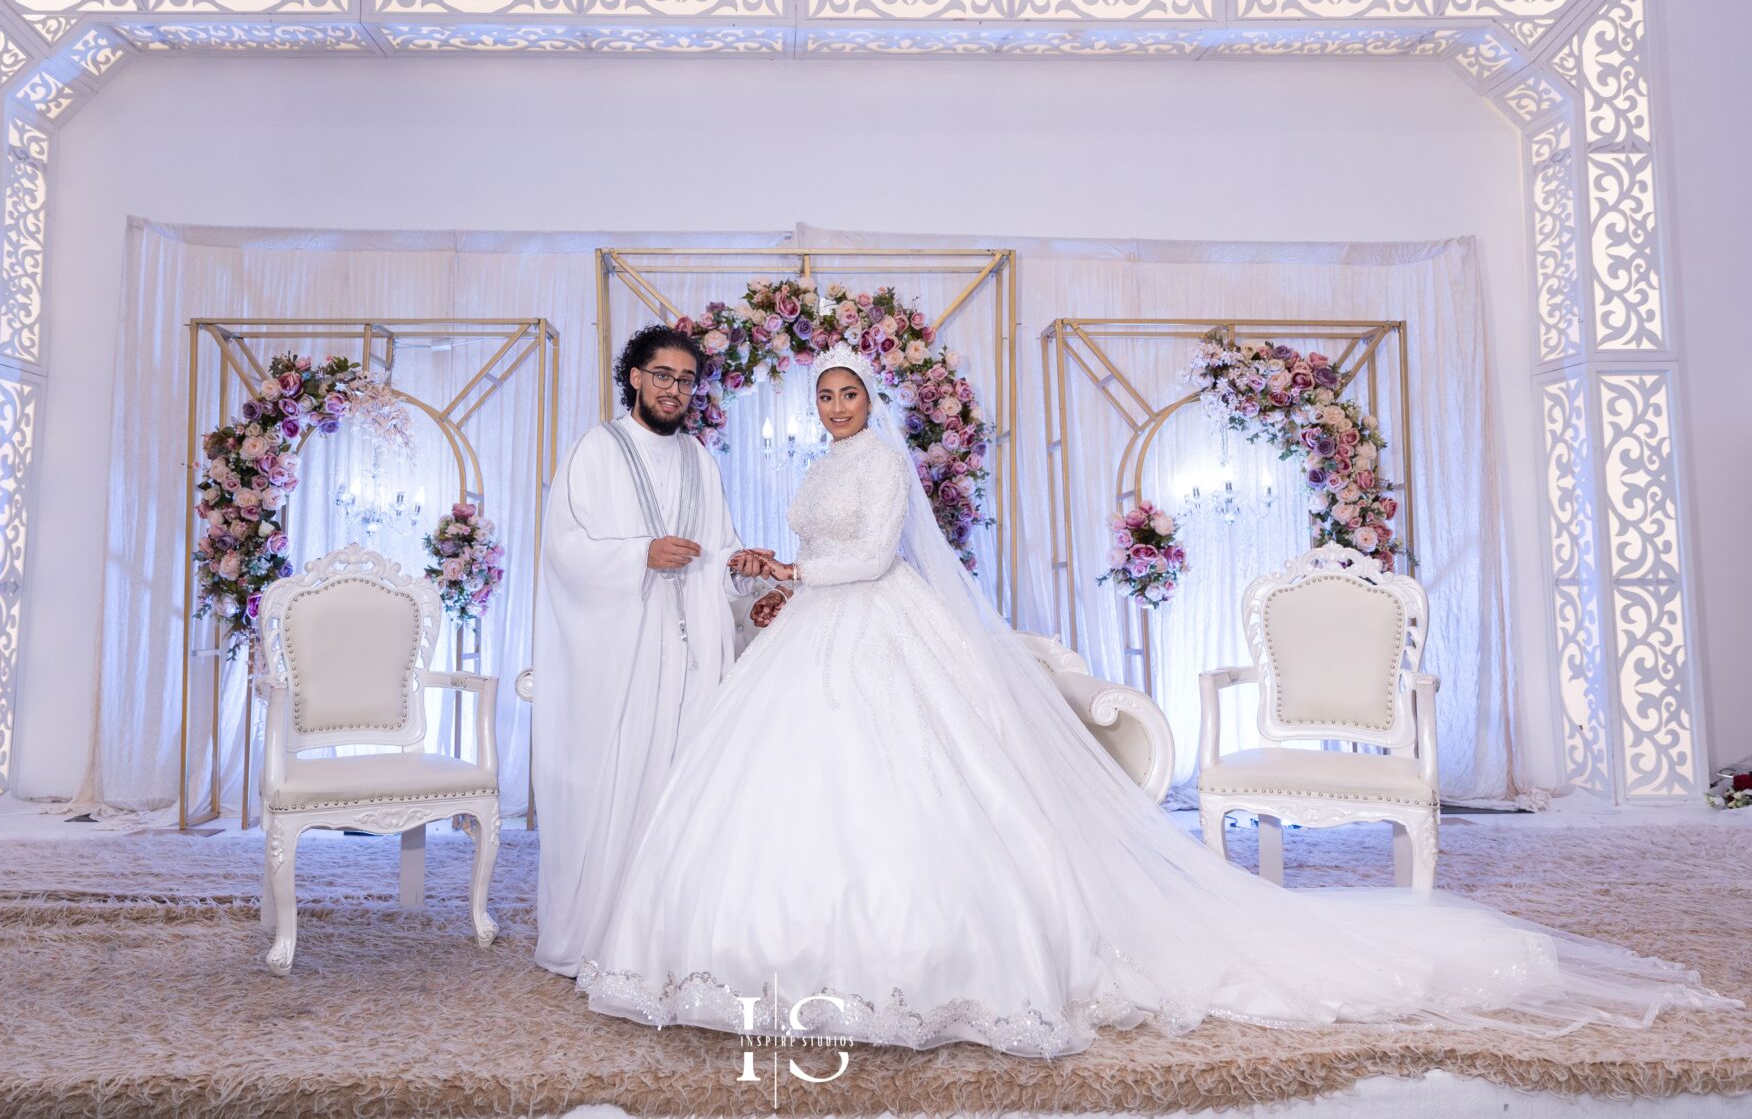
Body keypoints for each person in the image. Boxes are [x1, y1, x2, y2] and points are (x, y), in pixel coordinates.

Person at [572, 342, 1738, 1056]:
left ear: (869, 401)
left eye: (845, 391)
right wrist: (785, 577)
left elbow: (874, 561)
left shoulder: (878, 463)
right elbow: (825, 551)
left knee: (921, 788)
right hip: (814, 637)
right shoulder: (818, 465)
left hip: (866, 623)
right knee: (791, 791)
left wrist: (787, 571)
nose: (833, 407)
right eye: (820, 395)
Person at [530, 325, 776, 977]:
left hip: (692, 660)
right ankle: (599, 935)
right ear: (634, 376)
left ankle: (665, 942)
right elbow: (564, 548)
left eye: (686, 379)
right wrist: (640, 555)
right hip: (622, 660)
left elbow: (717, 549)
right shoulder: (596, 449)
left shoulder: (700, 458)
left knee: (685, 792)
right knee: (618, 790)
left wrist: (741, 560)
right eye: (662, 375)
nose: (674, 389)